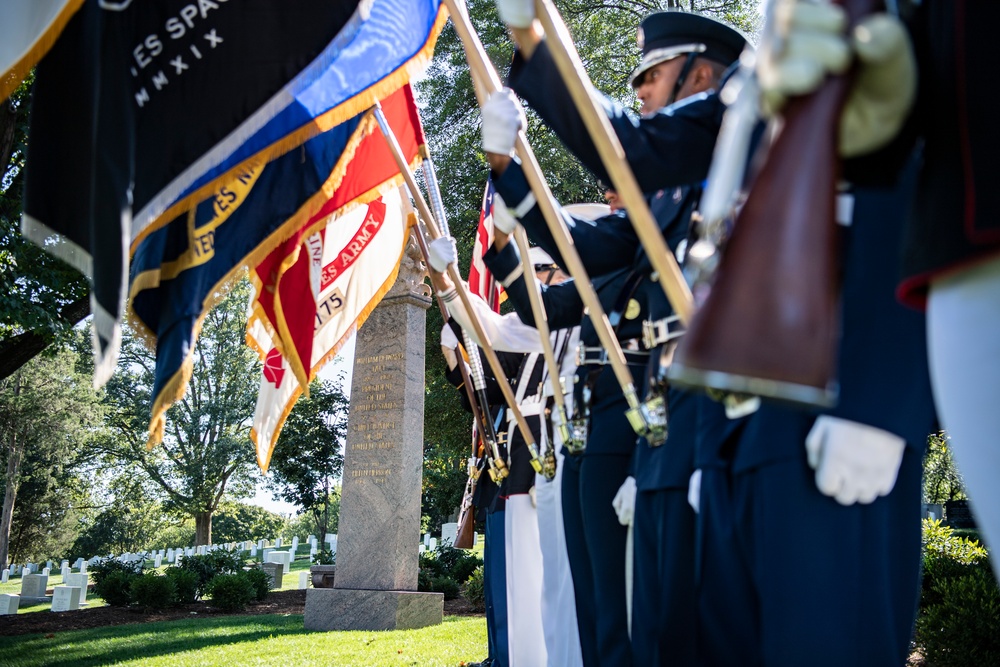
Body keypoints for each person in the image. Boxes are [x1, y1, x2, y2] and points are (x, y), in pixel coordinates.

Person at [486, 7, 748, 663]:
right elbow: (579, 253)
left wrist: (534, 43)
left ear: (702, 75)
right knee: (645, 629)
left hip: (713, 421)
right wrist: (508, 181)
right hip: (664, 430)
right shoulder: (670, 204)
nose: (640, 92)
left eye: (652, 75)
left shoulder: (741, 156)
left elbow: (626, 146)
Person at [430, 230, 588, 667]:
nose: (529, 282)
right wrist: (447, 284)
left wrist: (456, 294)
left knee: (562, 587)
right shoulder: (530, 326)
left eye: (539, 271)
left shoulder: (580, 314)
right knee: (523, 587)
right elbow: (489, 348)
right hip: (523, 465)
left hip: (566, 453)